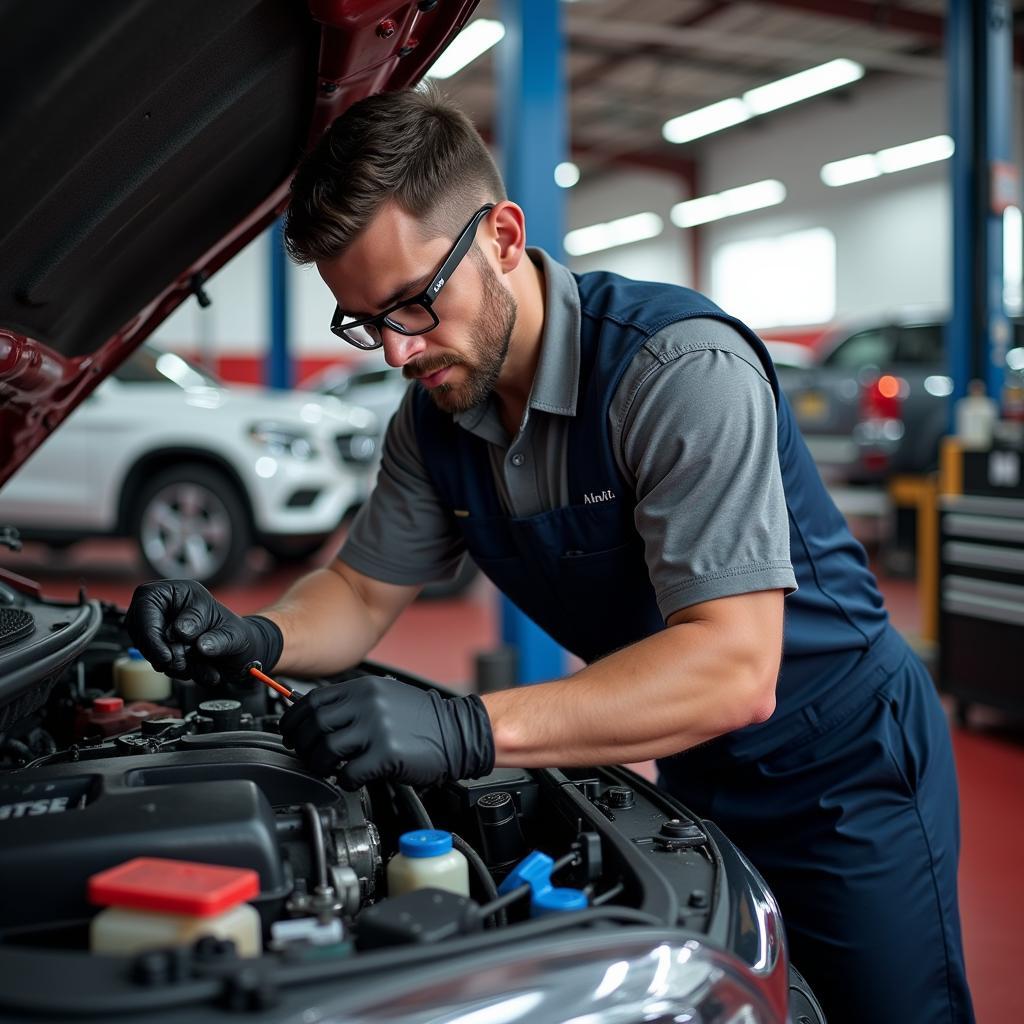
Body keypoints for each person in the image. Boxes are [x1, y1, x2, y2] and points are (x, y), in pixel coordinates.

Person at [126, 86, 973, 1023]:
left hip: (843, 765)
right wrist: (251, 632)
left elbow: (735, 667)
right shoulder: (436, 420)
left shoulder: (677, 371)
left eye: (412, 303)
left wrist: (463, 730)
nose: (398, 353)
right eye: (365, 323)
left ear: (500, 234)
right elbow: (361, 593)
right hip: (686, 756)